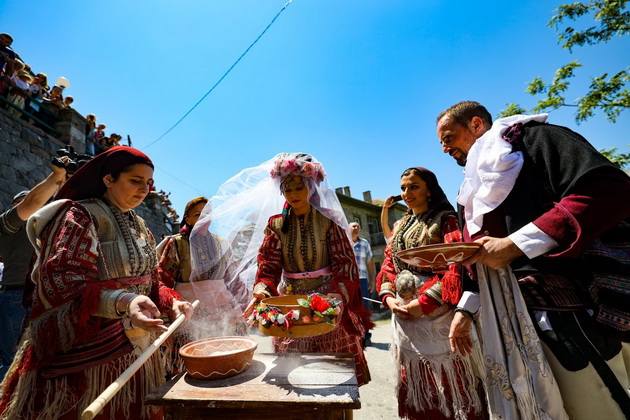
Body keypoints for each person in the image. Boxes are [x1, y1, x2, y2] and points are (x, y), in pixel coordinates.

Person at [437, 100, 630, 419]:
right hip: (504, 324)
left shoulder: (538, 140)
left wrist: (516, 244)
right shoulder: (469, 192)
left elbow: (609, 190)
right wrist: (466, 310)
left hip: (570, 313)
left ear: (475, 125)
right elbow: (478, 259)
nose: (444, 148)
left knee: (598, 406)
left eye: (448, 137)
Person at [0, 146, 193, 419]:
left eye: (148, 183)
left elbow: (152, 280)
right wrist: (126, 301)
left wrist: (172, 301)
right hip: (85, 358)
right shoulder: (78, 215)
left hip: (135, 349)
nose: (144, 189)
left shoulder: (141, 226)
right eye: (135, 181)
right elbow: (64, 280)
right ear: (108, 179)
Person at [242, 153, 373, 386]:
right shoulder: (276, 224)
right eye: (287, 189)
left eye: (298, 188)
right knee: (294, 375)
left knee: (336, 376)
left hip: (326, 300)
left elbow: (344, 262)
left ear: (311, 187)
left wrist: (336, 295)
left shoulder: (329, 220)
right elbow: (269, 265)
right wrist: (261, 292)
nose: (293, 195)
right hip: (290, 300)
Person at [376, 167, 487, 420]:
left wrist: (424, 302)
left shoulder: (446, 219)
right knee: (417, 384)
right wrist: (389, 298)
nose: (406, 193)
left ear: (429, 190)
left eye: (413, 187)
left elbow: (456, 265)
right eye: (403, 188)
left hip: (440, 313)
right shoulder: (401, 225)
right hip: (405, 315)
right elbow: (388, 264)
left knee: (454, 386)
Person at [0, 159, 71, 380]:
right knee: (13, 362)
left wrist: (65, 182)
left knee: (40, 361)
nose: (36, 210)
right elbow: (34, 201)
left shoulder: (43, 225)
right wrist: (56, 176)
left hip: (41, 296)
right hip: (17, 295)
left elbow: (60, 206)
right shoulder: (7, 224)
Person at [157, 197, 246, 373]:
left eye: (207, 214)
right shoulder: (176, 243)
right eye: (198, 215)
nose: (204, 218)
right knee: (191, 365)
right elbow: (162, 280)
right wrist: (169, 310)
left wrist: (245, 304)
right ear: (187, 219)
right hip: (190, 310)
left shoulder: (222, 244)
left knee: (230, 363)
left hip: (223, 309)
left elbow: (233, 279)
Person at [349, 221, 375, 346]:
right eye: (353, 226)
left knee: (364, 307)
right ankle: (353, 335)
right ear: (348, 229)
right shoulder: (345, 242)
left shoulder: (365, 243)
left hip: (362, 280)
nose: (356, 228)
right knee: (351, 307)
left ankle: (366, 335)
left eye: (358, 226)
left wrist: (372, 281)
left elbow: (370, 263)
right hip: (348, 279)